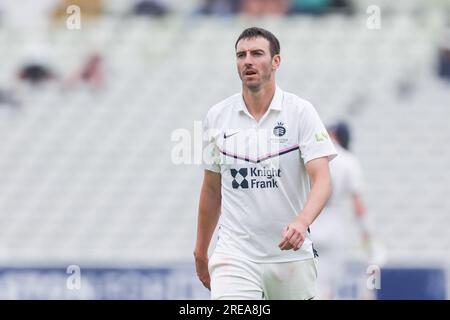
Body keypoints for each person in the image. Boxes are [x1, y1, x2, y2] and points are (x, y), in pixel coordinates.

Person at [194, 27, 337, 300]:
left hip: (290, 258)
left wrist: (301, 221)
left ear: (276, 61)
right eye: (241, 55)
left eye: (257, 53)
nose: (247, 61)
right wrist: (201, 249)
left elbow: (322, 179)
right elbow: (212, 189)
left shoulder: (300, 112)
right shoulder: (218, 116)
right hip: (235, 255)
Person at [312, 121, 371, 299]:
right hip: (333, 227)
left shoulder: (312, 155)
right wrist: (366, 233)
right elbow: (358, 206)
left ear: (332, 135)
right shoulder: (350, 161)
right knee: (327, 287)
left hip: (309, 222)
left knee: (307, 284)